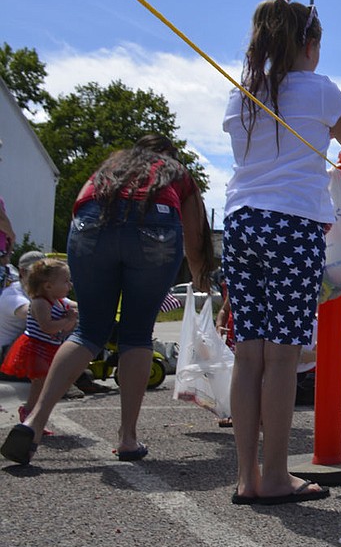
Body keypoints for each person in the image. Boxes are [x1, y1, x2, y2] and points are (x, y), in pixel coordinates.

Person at [219, 0, 341, 505]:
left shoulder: (243, 94)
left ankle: (247, 476)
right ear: (309, 44)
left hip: (240, 222)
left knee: (249, 356)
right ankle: (274, 476)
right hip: (291, 226)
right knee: (283, 355)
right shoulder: (319, 89)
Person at [2, 134, 212, 466]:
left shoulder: (112, 165)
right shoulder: (175, 172)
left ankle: (35, 422)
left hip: (91, 223)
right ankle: (127, 437)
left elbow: (81, 204)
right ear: (169, 155)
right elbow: (194, 235)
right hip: (153, 229)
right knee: (136, 335)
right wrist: (201, 277)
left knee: (87, 331)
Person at [1, 259, 77, 425]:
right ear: (48, 286)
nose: (69, 285)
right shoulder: (40, 303)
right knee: (40, 383)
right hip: (36, 348)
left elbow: (75, 310)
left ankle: (35, 415)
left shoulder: (61, 302)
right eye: (65, 281)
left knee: (47, 384)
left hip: (51, 348)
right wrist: (67, 321)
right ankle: (30, 412)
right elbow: (47, 327)